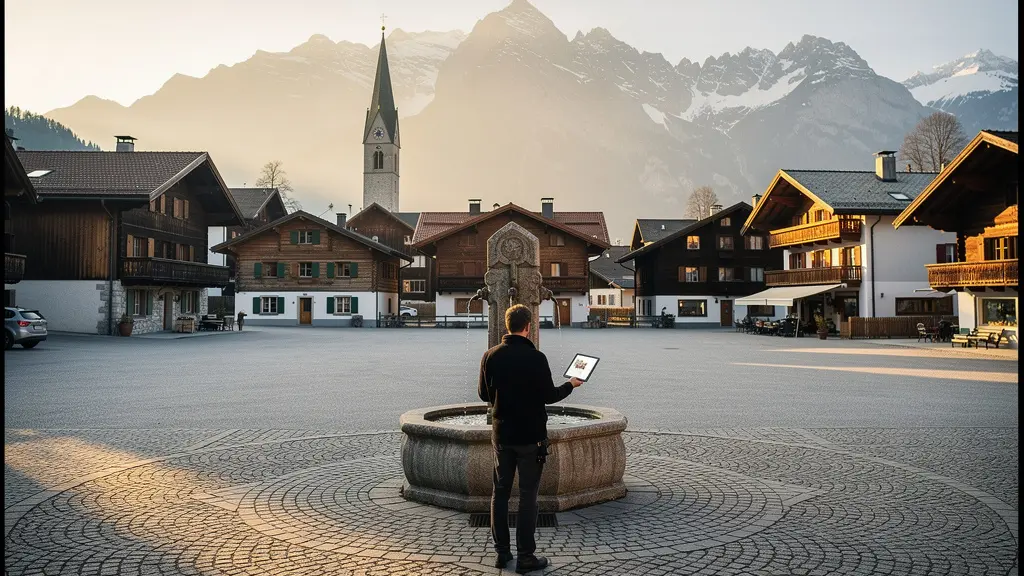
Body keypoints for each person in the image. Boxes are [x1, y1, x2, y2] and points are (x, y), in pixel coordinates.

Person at [478, 304, 584, 573]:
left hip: (502, 436)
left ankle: (502, 554)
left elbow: (483, 395)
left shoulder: (490, 355)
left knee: (499, 494)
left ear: (506, 325)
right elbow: (549, 396)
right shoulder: (536, 358)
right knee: (528, 496)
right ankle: (526, 557)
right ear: (528, 327)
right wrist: (571, 384)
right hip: (531, 438)